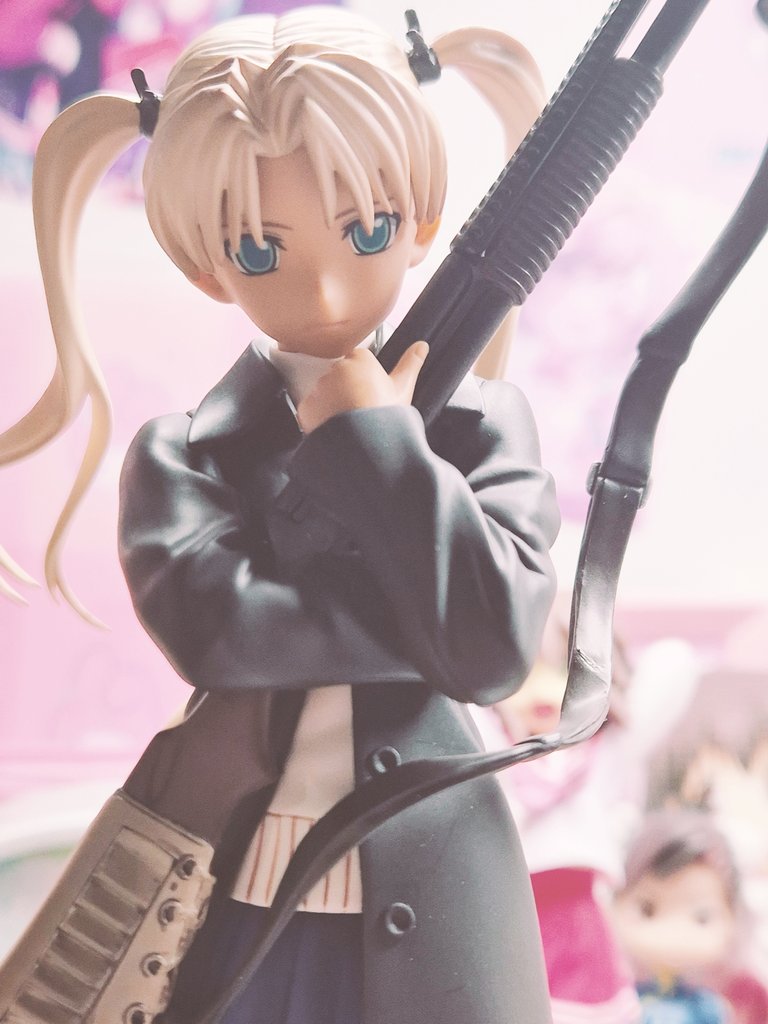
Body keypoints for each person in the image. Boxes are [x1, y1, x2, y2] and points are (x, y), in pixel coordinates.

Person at [0, 8, 560, 1023]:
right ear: (205, 263)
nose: (328, 285)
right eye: (260, 248)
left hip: (444, 893)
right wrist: (425, 613)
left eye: (368, 230)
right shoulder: (186, 452)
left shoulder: (481, 427)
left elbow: (492, 649)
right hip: (229, 891)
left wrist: (381, 449)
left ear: (422, 220)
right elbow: (226, 636)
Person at [474, 609, 701, 1024]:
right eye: (523, 672)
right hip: (507, 921)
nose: (543, 689)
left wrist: (593, 631)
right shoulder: (490, 754)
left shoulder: (601, 755)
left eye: (563, 670)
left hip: (581, 926)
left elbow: (676, 661)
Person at [612, 808, 768, 1024]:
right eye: (648, 910)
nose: (673, 933)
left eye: (701, 917)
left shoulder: (710, 1006)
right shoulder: (622, 999)